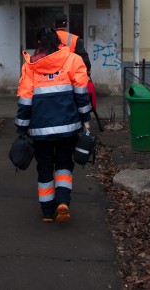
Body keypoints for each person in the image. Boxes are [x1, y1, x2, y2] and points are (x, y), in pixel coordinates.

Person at [15, 27, 92, 223]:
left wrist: (21, 130)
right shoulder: (74, 60)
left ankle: (47, 212)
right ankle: (63, 202)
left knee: (45, 167)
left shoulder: (30, 66)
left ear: (38, 42)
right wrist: (86, 122)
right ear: (59, 42)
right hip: (68, 128)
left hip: (40, 130)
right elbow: (81, 96)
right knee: (64, 164)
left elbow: (25, 102)